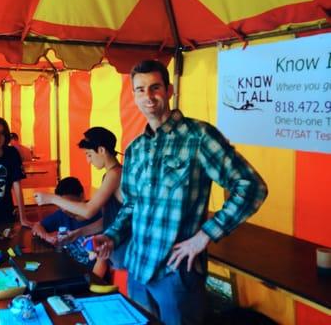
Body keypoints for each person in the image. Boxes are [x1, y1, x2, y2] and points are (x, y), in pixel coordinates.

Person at [92, 60, 268, 325]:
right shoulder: (135, 148)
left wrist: (204, 236)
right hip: (137, 269)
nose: (148, 97)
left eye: (155, 88)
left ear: (169, 90)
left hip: (176, 274)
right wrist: (110, 237)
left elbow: (251, 187)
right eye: (140, 90)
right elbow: (131, 206)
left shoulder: (199, 137)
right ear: (134, 95)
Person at [34, 126, 128, 279]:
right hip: (114, 249)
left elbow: (88, 210)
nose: (88, 160)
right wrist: (78, 233)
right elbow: (106, 220)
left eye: (89, 154)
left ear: (102, 150)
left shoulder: (115, 174)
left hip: (123, 248)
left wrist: (52, 198)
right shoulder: (110, 176)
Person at [31, 176, 102, 268]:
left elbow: (101, 263)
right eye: (61, 204)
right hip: (67, 269)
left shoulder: (99, 218)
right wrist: (47, 236)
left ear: (81, 196)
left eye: (68, 204)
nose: (65, 209)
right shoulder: (61, 215)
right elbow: (37, 226)